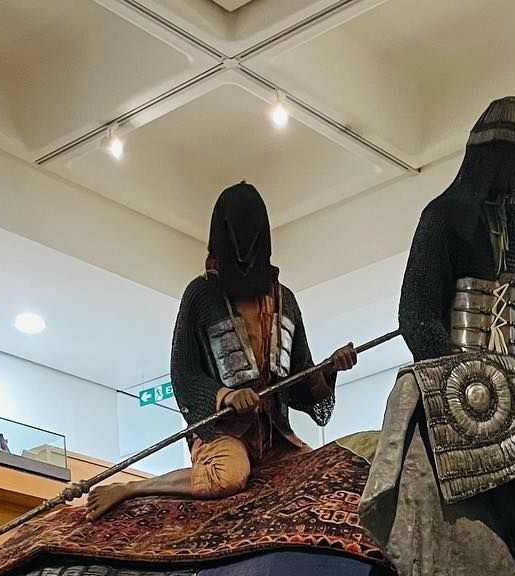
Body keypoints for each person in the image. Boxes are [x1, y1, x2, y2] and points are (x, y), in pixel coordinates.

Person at [89, 182, 355, 512]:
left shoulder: (285, 301)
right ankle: (134, 488)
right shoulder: (201, 296)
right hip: (222, 431)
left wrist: (329, 370)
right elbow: (184, 373)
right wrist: (226, 396)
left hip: (275, 434)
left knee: (323, 471)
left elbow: (299, 383)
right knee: (228, 477)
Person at [398, 96, 515, 362]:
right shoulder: (443, 217)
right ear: (495, 156)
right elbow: (416, 313)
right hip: (452, 373)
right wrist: (454, 368)